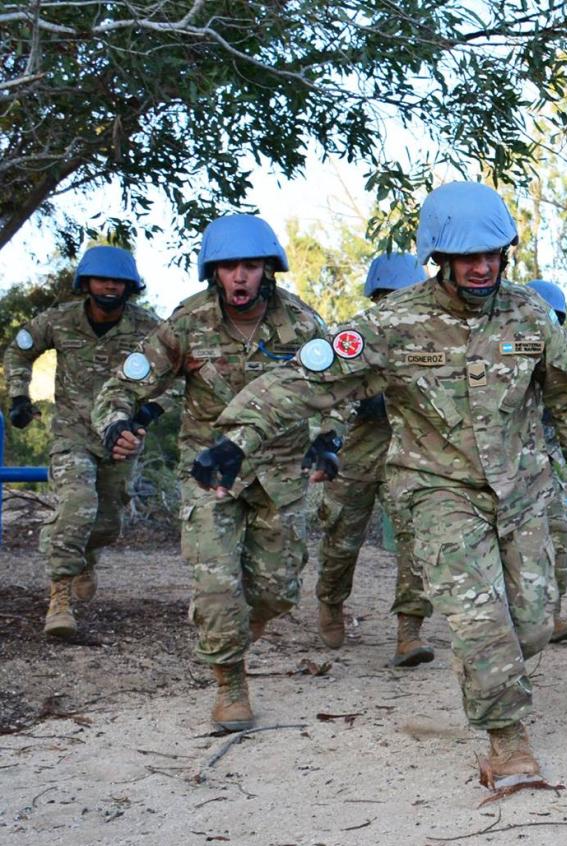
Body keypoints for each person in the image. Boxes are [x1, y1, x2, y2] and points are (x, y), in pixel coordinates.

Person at [196, 182, 567, 783]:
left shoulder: (532, 316)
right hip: (436, 491)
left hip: (521, 492)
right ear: (438, 257)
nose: (481, 267)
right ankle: (508, 741)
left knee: (531, 623)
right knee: (479, 620)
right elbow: (304, 380)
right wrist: (236, 438)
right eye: (467, 256)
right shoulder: (393, 324)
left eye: (492, 254)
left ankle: (488, 676)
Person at [92, 215, 333, 731]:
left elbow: (339, 387)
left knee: (277, 592)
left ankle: (238, 632)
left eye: (250, 266)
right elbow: (123, 387)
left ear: (268, 269)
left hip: (279, 474)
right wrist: (116, 425)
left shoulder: (303, 325)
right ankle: (230, 684)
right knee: (217, 585)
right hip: (209, 474)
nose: (240, 277)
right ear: (213, 273)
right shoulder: (187, 323)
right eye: (228, 268)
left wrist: (327, 441)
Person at [4, 246, 173, 641]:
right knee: (77, 504)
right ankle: (59, 600)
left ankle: (87, 559)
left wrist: (148, 413)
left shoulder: (150, 328)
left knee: (108, 522)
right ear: (87, 283)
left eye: (118, 280)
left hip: (122, 437)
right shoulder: (60, 320)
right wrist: (18, 396)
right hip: (72, 434)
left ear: (130, 286)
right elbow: (19, 350)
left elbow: (178, 374)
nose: (110, 286)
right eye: (102, 279)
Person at [313, 252, 434, 666]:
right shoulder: (356, 338)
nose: (396, 303)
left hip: (412, 453)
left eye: (405, 295)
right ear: (375, 298)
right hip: (358, 453)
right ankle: (330, 601)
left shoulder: (432, 338)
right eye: (388, 296)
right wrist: (328, 435)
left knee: (415, 541)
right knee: (342, 537)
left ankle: (409, 630)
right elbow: (330, 390)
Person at [527, 278, 567, 645]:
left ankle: (553, 614)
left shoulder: (563, 361)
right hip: (496, 469)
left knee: (557, 538)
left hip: (544, 465)